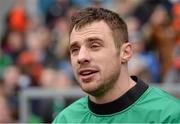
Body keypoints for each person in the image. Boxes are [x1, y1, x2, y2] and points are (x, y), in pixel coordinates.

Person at [52, 7, 180, 123]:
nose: (81, 57)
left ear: (125, 52)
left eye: (94, 46)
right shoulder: (65, 120)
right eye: (75, 49)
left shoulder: (169, 116)